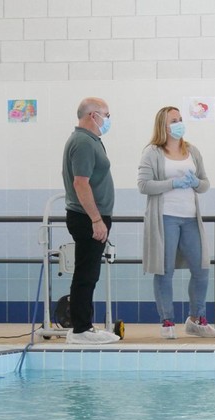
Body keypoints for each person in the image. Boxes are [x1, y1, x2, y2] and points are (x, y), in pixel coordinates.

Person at [137, 106, 215, 339]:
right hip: (165, 218)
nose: (179, 123)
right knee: (165, 271)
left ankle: (197, 318)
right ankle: (167, 320)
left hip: (191, 218)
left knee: (201, 268)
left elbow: (205, 184)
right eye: (174, 120)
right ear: (162, 126)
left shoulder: (191, 150)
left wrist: (194, 183)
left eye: (180, 119)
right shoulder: (152, 152)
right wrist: (172, 184)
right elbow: (144, 185)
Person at [61, 97, 120, 344]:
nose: (108, 120)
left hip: (92, 217)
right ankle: (80, 329)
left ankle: (84, 326)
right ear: (92, 115)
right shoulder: (83, 142)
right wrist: (96, 219)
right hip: (87, 218)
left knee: (89, 273)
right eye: (106, 114)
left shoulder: (91, 141)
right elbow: (80, 183)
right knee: (86, 274)